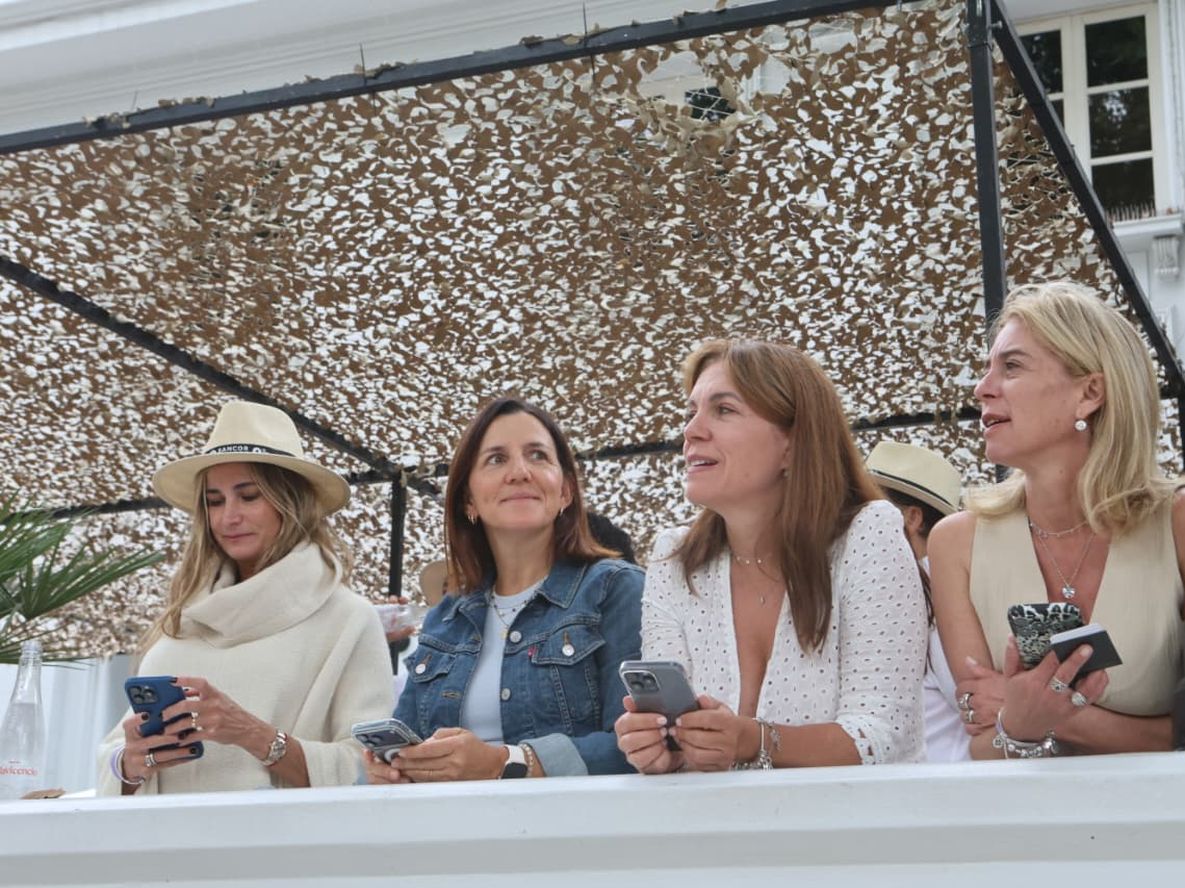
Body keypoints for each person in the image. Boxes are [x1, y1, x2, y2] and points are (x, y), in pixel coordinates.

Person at [615, 339, 927, 772]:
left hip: (854, 829)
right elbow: (679, 744)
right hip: (717, 832)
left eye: (723, 410)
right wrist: (659, 750)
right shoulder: (673, 558)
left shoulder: (868, 533)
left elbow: (881, 735)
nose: (691, 430)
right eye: (691, 412)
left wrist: (752, 739)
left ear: (793, 443)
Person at [929, 282, 1185, 758]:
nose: (981, 388)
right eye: (988, 368)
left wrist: (1037, 713)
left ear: (1089, 393)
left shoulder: (1176, 522)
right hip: (1027, 825)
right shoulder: (955, 543)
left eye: (1012, 367)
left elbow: (1005, 722)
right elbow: (983, 741)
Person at [96, 401, 393, 794]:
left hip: (275, 850)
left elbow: (368, 768)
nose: (227, 517)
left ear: (291, 502)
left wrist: (252, 734)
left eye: (249, 496)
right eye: (214, 501)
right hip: (163, 846)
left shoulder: (348, 619)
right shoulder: (185, 619)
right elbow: (113, 757)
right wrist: (131, 762)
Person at [365, 397, 644, 783]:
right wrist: (389, 769)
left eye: (538, 456)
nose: (519, 472)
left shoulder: (615, 588)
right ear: (468, 500)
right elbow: (408, 738)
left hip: (575, 835)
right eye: (496, 459)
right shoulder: (446, 618)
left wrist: (507, 761)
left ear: (565, 491)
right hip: (452, 834)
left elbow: (640, 746)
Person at [866, 440, 969, 762]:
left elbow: (966, 696)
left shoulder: (935, 587)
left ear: (911, 518)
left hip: (942, 788)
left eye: (866, 505)